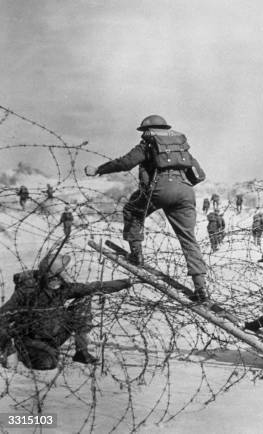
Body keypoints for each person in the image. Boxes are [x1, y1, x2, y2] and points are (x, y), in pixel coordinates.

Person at [84, 115, 209, 302]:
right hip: (186, 191)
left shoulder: (148, 143)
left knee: (132, 210)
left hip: (160, 189)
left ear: (146, 131)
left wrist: (99, 169)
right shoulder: (180, 145)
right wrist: (179, 185)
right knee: (188, 239)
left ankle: (136, 254)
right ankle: (201, 289)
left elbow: (126, 163)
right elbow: (200, 176)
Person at [0, 253, 132, 370]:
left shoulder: (63, 288)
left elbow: (92, 287)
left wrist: (126, 283)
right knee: (47, 364)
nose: (65, 274)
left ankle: (81, 351)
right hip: (31, 340)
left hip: (56, 335)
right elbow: (2, 318)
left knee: (84, 298)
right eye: (62, 272)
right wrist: (9, 350)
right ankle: (19, 352)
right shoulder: (27, 292)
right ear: (53, 276)